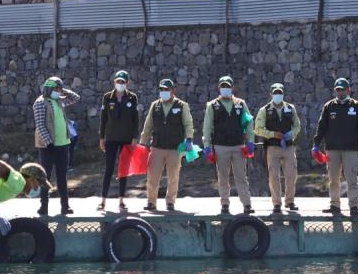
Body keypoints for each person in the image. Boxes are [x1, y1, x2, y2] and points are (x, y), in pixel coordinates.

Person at [312, 78, 358, 217]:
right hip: (332, 149)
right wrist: (316, 144)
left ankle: (354, 206)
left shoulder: (357, 106)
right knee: (333, 179)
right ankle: (334, 205)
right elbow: (321, 127)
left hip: (351, 149)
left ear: (348, 90)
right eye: (337, 90)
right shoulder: (329, 106)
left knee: (352, 179)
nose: (340, 92)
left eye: (342, 89)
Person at [202, 75, 255, 215]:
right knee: (223, 177)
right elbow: (207, 127)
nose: (225, 88)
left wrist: (250, 140)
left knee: (241, 177)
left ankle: (247, 204)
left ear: (233, 87)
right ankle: (224, 204)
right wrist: (207, 146)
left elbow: (249, 122)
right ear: (219, 88)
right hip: (220, 146)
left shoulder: (240, 103)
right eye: (223, 86)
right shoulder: (212, 105)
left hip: (238, 145)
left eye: (228, 86)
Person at [139, 79, 194, 212]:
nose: (163, 92)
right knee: (152, 176)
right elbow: (148, 125)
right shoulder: (155, 105)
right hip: (157, 147)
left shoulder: (182, 105)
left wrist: (189, 139)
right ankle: (151, 202)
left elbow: (188, 124)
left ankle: (170, 202)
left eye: (166, 90)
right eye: (161, 90)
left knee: (173, 176)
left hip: (175, 148)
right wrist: (142, 142)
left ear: (172, 91)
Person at [33, 76, 81, 216]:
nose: (58, 91)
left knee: (62, 176)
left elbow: (75, 97)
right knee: (45, 177)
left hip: (64, 144)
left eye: (60, 89)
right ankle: (44, 206)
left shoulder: (59, 100)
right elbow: (40, 125)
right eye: (56, 89)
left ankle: (65, 206)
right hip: (48, 147)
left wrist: (61, 88)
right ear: (48, 89)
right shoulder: (40, 103)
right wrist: (49, 143)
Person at [254, 83, 301, 213]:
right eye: (275, 93)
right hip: (272, 147)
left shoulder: (290, 108)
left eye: (280, 93)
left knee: (291, 174)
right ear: (271, 94)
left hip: (288, 146)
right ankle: (276, 203)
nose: (277, 95)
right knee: (274, 175)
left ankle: (290, 201)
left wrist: (292, 134)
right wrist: (272, 134)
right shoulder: (264, 110)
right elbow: (257, 129)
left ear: (283, 94)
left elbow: (297, 125)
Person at [99, 70, 140, 211]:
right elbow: (103, 119)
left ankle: (121, 201)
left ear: (127, 82)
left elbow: (136, 119)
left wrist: (135, 137)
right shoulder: (107, 97)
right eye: (118, 81)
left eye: (122, 81)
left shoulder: (132, 98)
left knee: (123, 170)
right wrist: (101, 138)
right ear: (114, 82)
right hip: (110, 138)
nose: (120, 84)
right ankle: (103, 201)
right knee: (109, 169)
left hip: (126, 139)